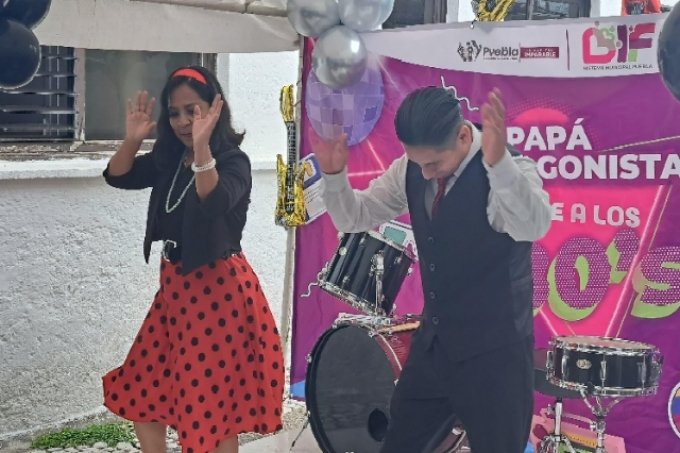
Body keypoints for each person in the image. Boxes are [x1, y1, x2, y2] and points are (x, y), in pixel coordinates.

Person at [312, 86, 552, 453]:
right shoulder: (411, 167)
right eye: (418, 162)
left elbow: (532, 226)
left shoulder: (511, 170)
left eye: (434, 164)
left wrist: (499, 167)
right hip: (435, 346)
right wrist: (334, 177)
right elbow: (355, 216)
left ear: (463, 136)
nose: (425, 174)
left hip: (496, 356)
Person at [101, 66, 284, 453]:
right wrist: (132, 139)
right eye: (175, 113)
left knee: (209, 411)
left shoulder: (233, 161)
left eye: (192, 110)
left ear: (215, 108)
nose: (183, 121)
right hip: (175, 289)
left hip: (217, 294)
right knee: (140, 387)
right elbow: (118, 176)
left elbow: (213, 201)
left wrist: (202, 149)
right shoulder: (170, 158)